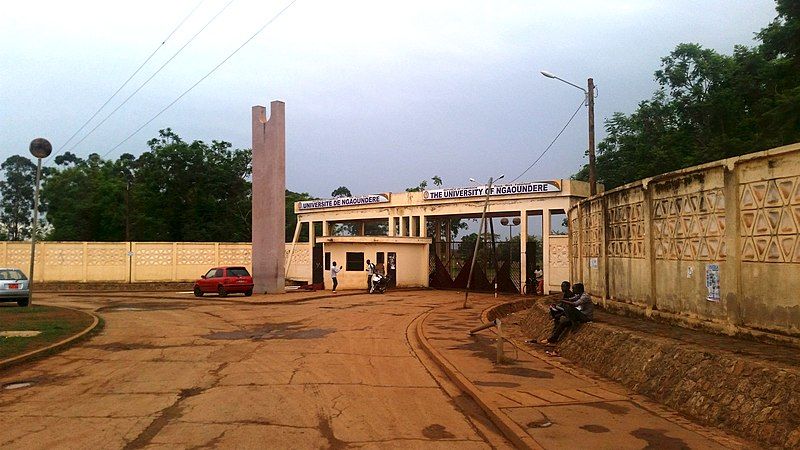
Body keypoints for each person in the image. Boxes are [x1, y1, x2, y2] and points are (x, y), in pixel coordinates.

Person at [542, 282, 593, 348]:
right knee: (562, 323)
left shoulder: (585, 296)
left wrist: (563, 301)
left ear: (579, 289)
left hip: (586, 317)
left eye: (574, 289)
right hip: (580, 315)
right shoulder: (579, 295)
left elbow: (575, 304)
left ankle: (574, 323)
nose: (573, 290)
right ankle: (552, 340)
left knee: (568, 307)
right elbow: (571, 299)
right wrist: (561, 300)